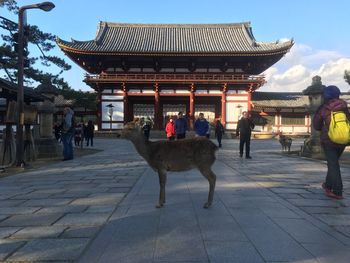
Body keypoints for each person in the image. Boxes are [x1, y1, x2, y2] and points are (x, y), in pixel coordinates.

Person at [313, 85, 350, 200]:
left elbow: (316, 125)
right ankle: (328, 185)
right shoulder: (344, 106)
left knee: (333, 164)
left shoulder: (324, 108)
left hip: (329, 141)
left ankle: (337, 191)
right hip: (343, 139)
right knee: (333, 163)